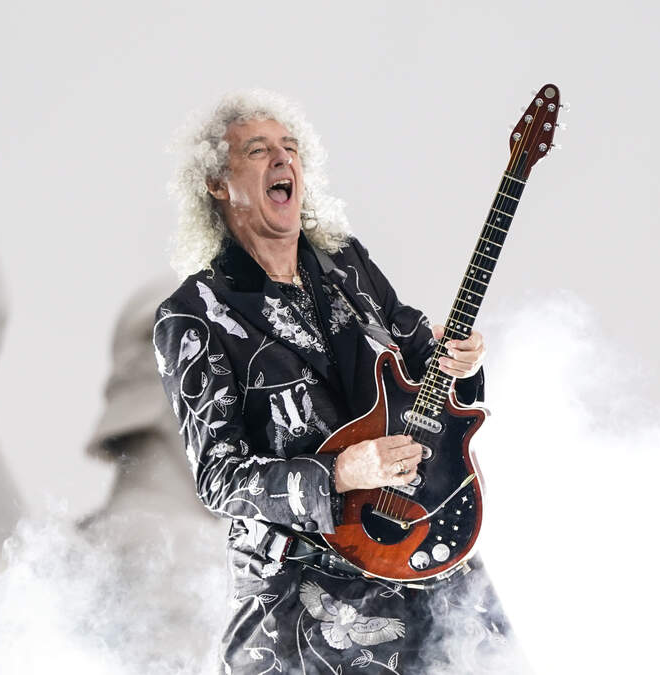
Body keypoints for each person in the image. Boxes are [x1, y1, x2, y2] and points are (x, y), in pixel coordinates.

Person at [155, 91, 521, 673]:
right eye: (258, 151)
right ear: (217, 183)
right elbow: (219, 479)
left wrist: (462, 362)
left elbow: (422, 366)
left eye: (291, 148)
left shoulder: (346, 263)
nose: (284, 159)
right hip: (308, 600)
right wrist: (340, 473)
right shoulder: (194, 313)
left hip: (424, 551)